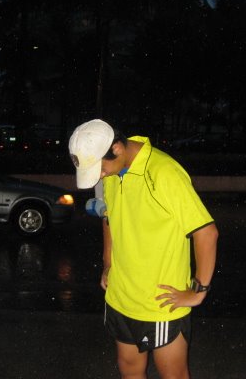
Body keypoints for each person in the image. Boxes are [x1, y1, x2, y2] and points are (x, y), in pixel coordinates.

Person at [69, 119, 218, 379]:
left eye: (100, 168)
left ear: (116, 148)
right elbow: (109, 216)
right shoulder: (113, 173)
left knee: (173, 375)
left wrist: (198, 291)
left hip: (161, 304)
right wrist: (107, 261)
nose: (100, 175)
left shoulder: (164, 172)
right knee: (129, 372)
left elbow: (206, 232)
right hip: (121, 298)